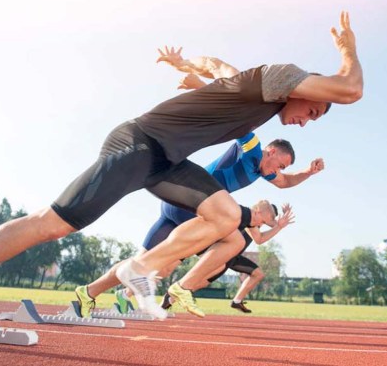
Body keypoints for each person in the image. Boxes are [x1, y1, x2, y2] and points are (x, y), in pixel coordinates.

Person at [0, 11, 363, 332]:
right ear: (302, 87)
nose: (309, 118)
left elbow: (221, 68)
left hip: (166, 162)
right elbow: (351, 89)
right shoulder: (281, 76)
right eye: (315, 109)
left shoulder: (259, 101)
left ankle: (141, 270)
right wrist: (348, 51)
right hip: (138, 144)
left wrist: (191, 68)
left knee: (228, 217)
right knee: (52, 225)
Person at [74, 51, 322, 318]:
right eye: (280, 164)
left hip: (178, 208)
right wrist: (199, 87)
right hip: (192, 203)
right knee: (236, 238)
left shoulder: (263, 173)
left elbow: (285, 182)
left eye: (282, 169)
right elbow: (230, 111)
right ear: (271, 151)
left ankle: (90, 292)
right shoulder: (252, 147)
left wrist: (307, 172)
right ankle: (183, 288)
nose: (279, 171)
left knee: (148, 261)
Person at [160, 203, 295, 314]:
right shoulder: (248, 219)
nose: (264, 223)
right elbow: (262, 233)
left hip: (233, 256)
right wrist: (278, 224)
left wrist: (280, 224)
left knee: (204, 282)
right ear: (260, 212)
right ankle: (169, 298)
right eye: (267, 219)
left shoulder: (255, 224)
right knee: (201, 279)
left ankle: (236, 301)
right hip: (222, 251)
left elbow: (261, 238)